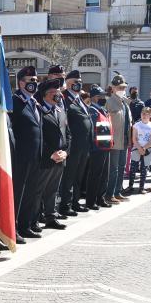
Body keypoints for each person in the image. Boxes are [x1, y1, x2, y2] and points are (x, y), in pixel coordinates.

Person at [11, 66, 42, 240]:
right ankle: (13, 228)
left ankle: (25, 225)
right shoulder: (15, 102)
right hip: (20, 158)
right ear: (21, 82)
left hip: (34, 156)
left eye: (36, 81)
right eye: (30, 81)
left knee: (30, 192)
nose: (34, 84)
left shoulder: (34, 102)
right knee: (18, 194)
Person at [34, 77, 68, 229]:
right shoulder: (40, 111)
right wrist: (51, 153)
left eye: (58, 91)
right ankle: (34, 219)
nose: (58, 94)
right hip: (47, 158)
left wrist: (65, 152)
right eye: (54, 92)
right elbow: (38, 135)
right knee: (39, 190)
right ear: (46, 95)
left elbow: (68, 134)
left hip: (61, 157)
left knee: (53, 190)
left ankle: (51, 217)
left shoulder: (60, 111)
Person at [58, 70, 93, 216]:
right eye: (75, 82)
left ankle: (75, 202)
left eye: (79, 81)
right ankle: (65, 205)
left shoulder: (79, 99)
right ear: (68, 83)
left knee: (79, 175)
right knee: (69, 176)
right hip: (73, 144)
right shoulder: (64, 98)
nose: (78, 84)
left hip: (84, 145)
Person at [105, 74, 131, 203]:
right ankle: (109, 195)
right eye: (119, 87)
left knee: (121, 167)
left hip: (125, 140)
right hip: (114, 141)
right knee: (113, 169)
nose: (122, 89)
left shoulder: (125, 103)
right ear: (113, 88)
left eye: (124, 87)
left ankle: (117, 191)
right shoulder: (109, 102)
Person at [84, 86, 111, 210]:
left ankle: (101, 198)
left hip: (105, 147)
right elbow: (91, 131)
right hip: (97, 148)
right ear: (95, 97)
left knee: (104, 175)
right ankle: (91, 201)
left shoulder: (103, 110)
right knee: (95, 175)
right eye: (101, 96)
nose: (104, 98)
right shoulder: (92, 111)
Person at [129, 107, 151, 193]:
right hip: (137, 147)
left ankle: (141, 187)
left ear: (150, 115)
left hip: (147, 149)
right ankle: (130, 186)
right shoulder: (136, 125)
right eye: (143, 113)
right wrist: (139, 148)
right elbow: (134, 139)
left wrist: (144, 148)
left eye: (146, 114)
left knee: (144, 169)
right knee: (133, 168)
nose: (144, 115)